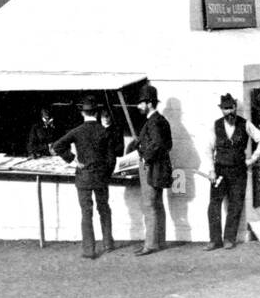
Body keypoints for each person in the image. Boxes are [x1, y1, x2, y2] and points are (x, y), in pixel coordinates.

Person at [53, 95, 116, 259]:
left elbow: (57, 146)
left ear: (83, 113)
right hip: (101, 177)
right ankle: (108, 243)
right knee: (104, 209)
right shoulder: (104, 132)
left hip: (84, 178)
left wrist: (73, 159)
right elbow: (111, 159)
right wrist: (106, 174)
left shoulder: (77, 131)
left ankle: (89, 250)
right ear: (96, 113)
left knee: (86, 214)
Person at [204, 93, 260, 250]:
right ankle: (214, 240)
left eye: (231, 108)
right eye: (225, 108)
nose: (229, 111)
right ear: (221, 110)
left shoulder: (245, 124)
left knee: (235, 204)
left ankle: (229, 239)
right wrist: (211, 170)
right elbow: (208, 148)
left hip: (238, 171)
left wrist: (251, 159)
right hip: (219, 170)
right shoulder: (216, 125)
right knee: (214, 205)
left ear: (235, 107)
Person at [126, 83, 172, 255]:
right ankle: (159, 241)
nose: (138, 106)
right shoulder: (161, 120)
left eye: (141, 103)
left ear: (149, 103)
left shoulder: (153, 122)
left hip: (151, 169)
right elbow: (168, 144)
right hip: (159, 169)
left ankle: (151, 244)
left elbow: (159, 144)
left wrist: (145, 156)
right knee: (157, 205)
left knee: (149, 205)